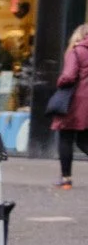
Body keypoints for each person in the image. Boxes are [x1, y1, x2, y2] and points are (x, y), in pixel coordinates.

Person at [50, 21, 87, 189]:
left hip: (75, 101)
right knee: (84, 139)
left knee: (65, 136)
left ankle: (66, 178)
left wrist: (60, 81)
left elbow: (69, 76)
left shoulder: (77, 51)